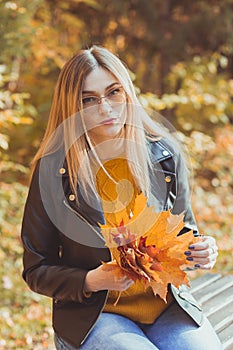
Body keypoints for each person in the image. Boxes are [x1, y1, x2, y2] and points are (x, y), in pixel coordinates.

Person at [21, 45, 222, 350]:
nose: (105, 108)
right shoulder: (53, 170)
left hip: (167, 305)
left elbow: (184, 235)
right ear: (71, 107)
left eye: (114, 92)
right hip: (95, 314)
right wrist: (92, 280)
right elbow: (36, 269)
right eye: (88, 99)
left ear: (128, 93)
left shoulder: (164, 156)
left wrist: (201, 251)